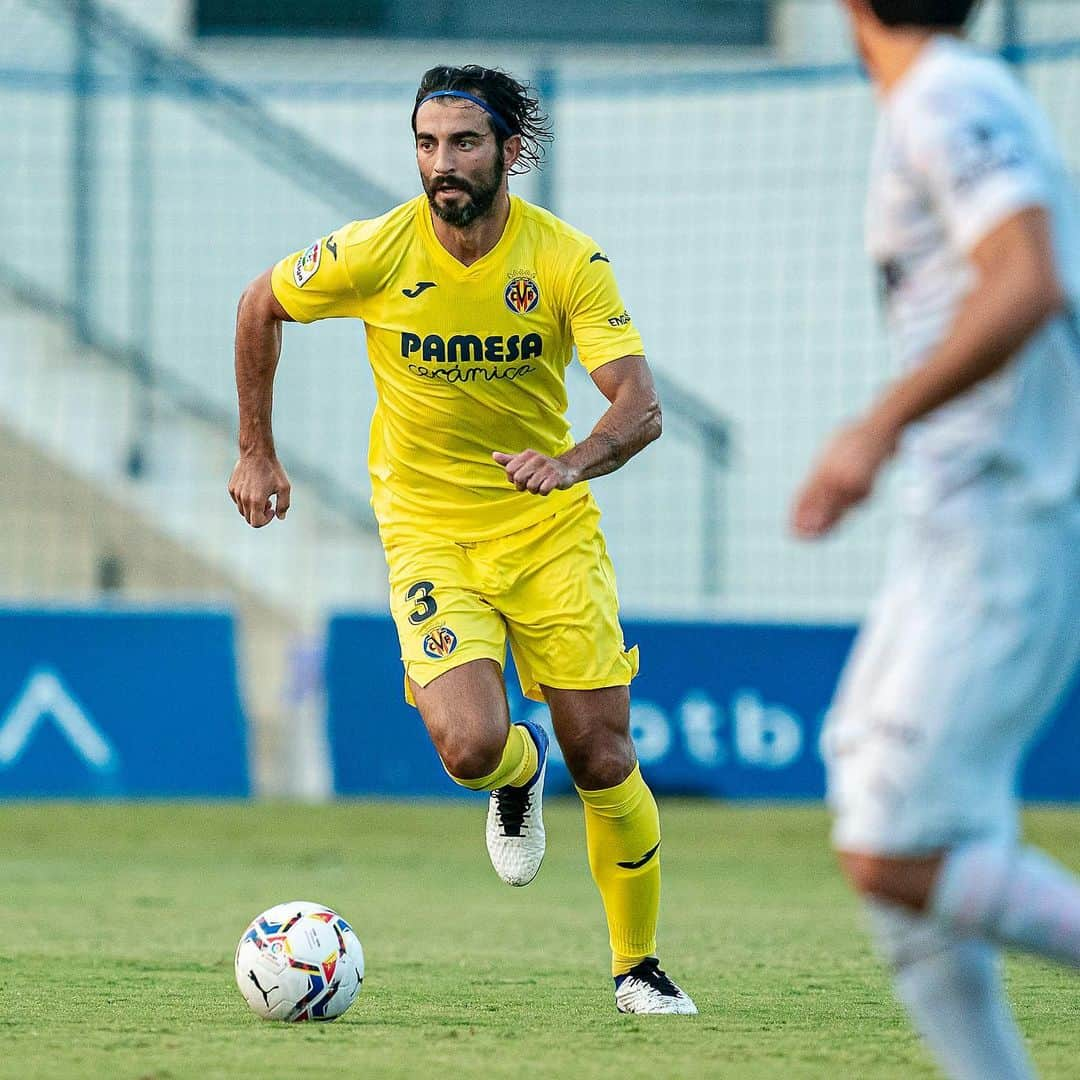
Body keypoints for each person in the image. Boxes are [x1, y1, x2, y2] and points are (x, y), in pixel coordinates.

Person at [229, 65, 695, 1015]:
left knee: (604, 756)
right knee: (471, 745)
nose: (443, 164)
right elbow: (259, 306)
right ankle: (518, 776)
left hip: (548, 529)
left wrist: (572, 460)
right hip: (430, 533)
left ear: (511, 152)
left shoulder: (567, 262)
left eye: (466, 143)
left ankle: (637, 965)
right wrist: (256, 453)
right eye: (427, 144)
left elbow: (640, 407)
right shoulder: (374, 250)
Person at [791, 1, 1080, 1076]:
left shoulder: (947, 95)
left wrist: (876, 427)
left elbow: (1026, 275)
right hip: (957, 525)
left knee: (896, 846)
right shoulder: (944, 94)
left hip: (1006, 522)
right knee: (871, 797)